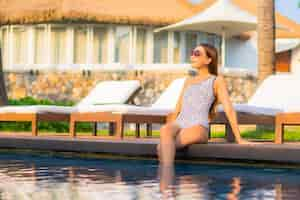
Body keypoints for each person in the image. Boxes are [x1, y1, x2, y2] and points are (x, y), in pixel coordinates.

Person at [157, 43, 250, 166]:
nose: (192, 56)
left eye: (197, 54)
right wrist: (171, 127)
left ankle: (166, 178)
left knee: (162, 148)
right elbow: (178, 108)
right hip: (180, 123)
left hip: (198, 126)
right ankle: (167, 179)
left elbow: (229, 109)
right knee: (165, 130)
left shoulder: (216, 80)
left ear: (208, 60)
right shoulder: (188, 81)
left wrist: (239, 138)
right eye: (192, 53)